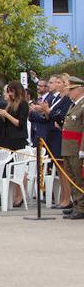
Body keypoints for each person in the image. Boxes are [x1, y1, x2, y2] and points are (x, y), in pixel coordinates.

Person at [61, 76, 84, 220]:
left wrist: (82, 149)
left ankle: (81, 207)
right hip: (68, 147)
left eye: (71, 89)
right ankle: (76, 204)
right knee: (71, 177)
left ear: (80, 89)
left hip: (76, 147)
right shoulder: (74, 105)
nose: (69, 92)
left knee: (78, 178)